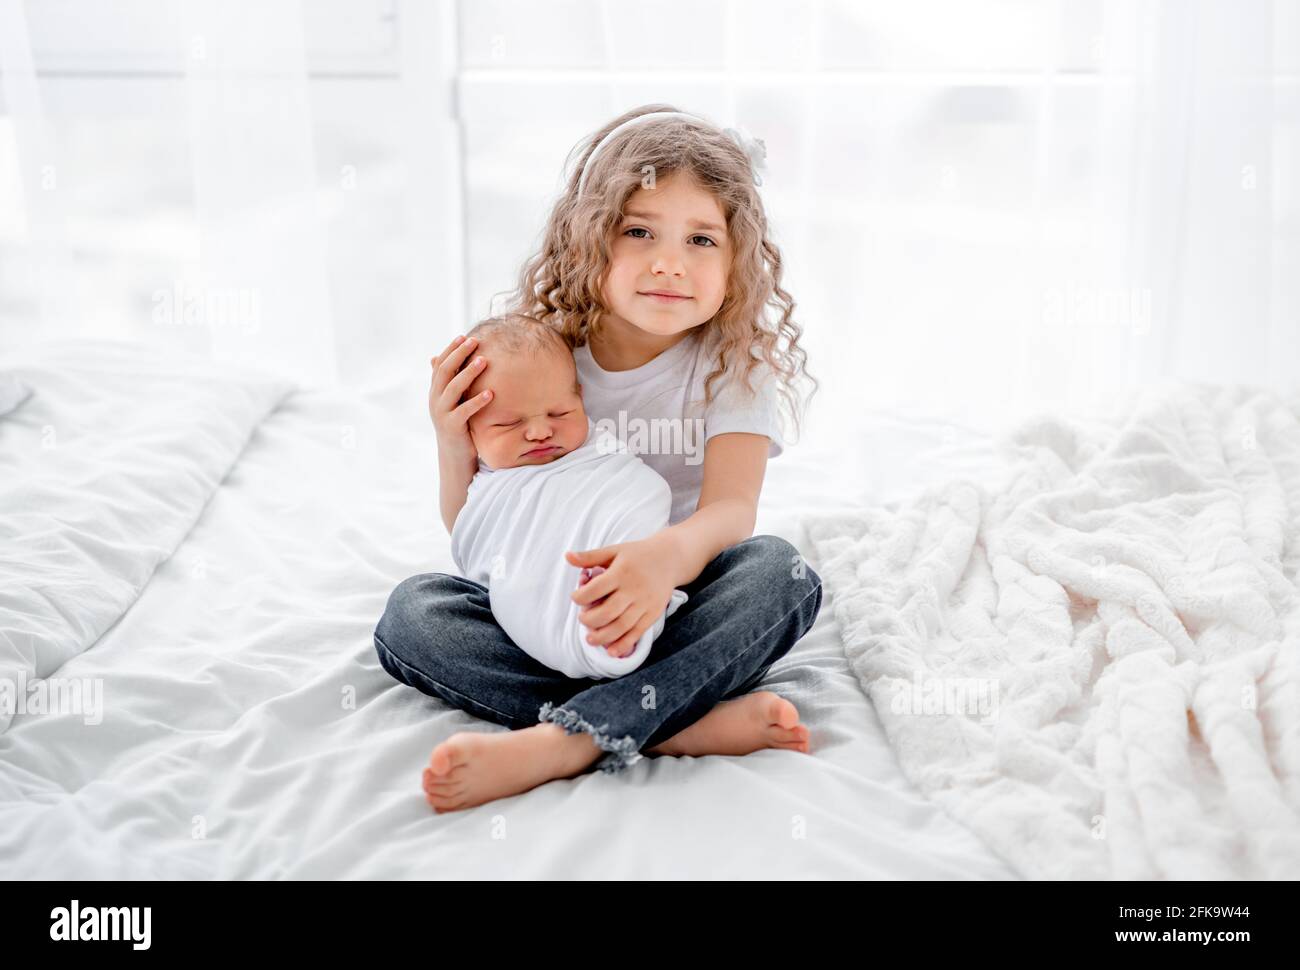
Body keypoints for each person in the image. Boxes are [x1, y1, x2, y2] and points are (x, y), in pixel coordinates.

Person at [375, 104, 823, 813]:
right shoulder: (545, 355)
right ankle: (675, 723)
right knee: (413, 616)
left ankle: (566, 743)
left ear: (737, 263)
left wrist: (660, 564)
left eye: (702, 239)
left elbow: (733, 510)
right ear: (591, 239)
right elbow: (478, 527)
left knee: (782, 575)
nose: (670, 262)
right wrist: (450, 440)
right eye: (639, 231)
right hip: (547, 610)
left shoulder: (734, 368)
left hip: (671, 602)